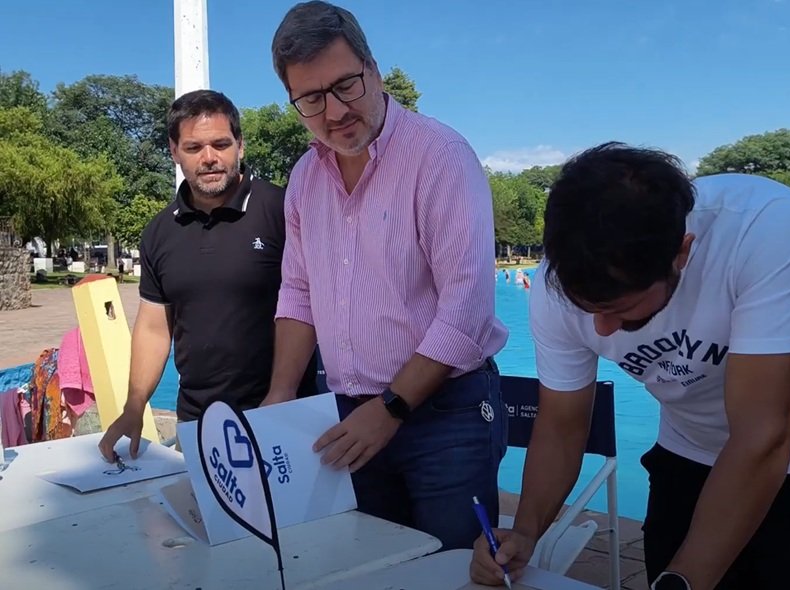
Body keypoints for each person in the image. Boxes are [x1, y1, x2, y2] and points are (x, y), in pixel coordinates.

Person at [470, 143, 790, 589]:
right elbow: (562, 424)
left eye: (620, 308)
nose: (603, 329)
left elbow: (763, 436)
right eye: (587, 309)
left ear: (682, 253)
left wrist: (681, 582)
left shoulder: (765, 225)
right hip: (689, 450)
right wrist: (526, 532)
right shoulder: (558, 279)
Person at [262, 1, 509, 550]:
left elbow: (466, 311)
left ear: (373, 69)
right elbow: (298, 293)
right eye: (311, 98)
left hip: (446, 414)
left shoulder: (439, 156)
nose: (334, 111)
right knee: (369, 566)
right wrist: (281, 392)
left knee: (451, 569)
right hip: (345, 414)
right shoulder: (304, 179)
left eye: (345, 85)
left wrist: (392, 407)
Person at [99, 90, 317, 461]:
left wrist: (282, 393)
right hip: (198, 425)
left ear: (240, 145)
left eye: (220, 144)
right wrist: (135, 405)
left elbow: (309, 302)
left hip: (282, 414)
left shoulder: (281, 209)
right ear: (174, 151)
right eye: (193, 147)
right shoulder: (159, 232)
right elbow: (154, 327)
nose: (209, 158)